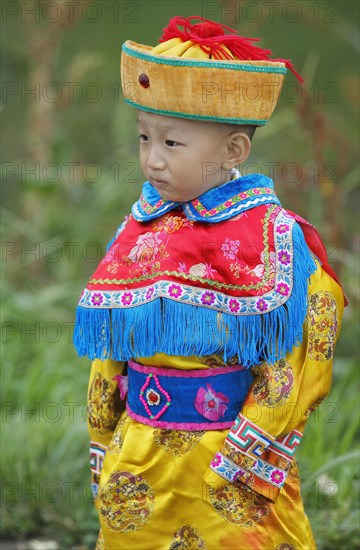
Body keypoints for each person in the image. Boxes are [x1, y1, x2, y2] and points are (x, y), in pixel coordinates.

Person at [74, 16, 347, 550]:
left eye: (173, 142)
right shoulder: (136, 231)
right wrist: (106, 438)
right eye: (144, 138)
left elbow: (299, 355)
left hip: (225, 462)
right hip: (139, 462)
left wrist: (246, 458)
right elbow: (111, 348)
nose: (152, 160)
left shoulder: (277, 239)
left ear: (234, 152)